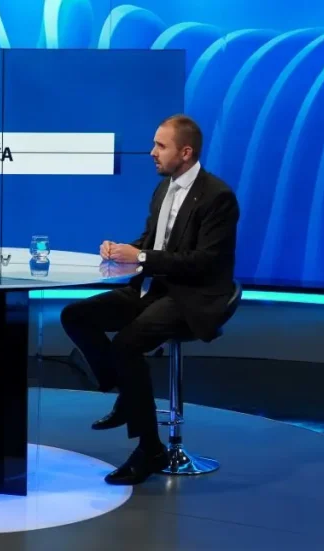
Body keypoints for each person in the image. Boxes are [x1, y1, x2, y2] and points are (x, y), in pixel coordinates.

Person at [60, 114, 239, 486]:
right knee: (75, 315)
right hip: (153, 289)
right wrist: (123, 250)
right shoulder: (163, 189)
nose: (152, 152)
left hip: (192, 296)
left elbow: (203, 262)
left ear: (185, 152)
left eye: (160, 145)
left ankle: (149, 449)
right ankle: (126, 393)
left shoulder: (217, 197)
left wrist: (140, 256)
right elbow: (152, 242)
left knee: (126, 345)